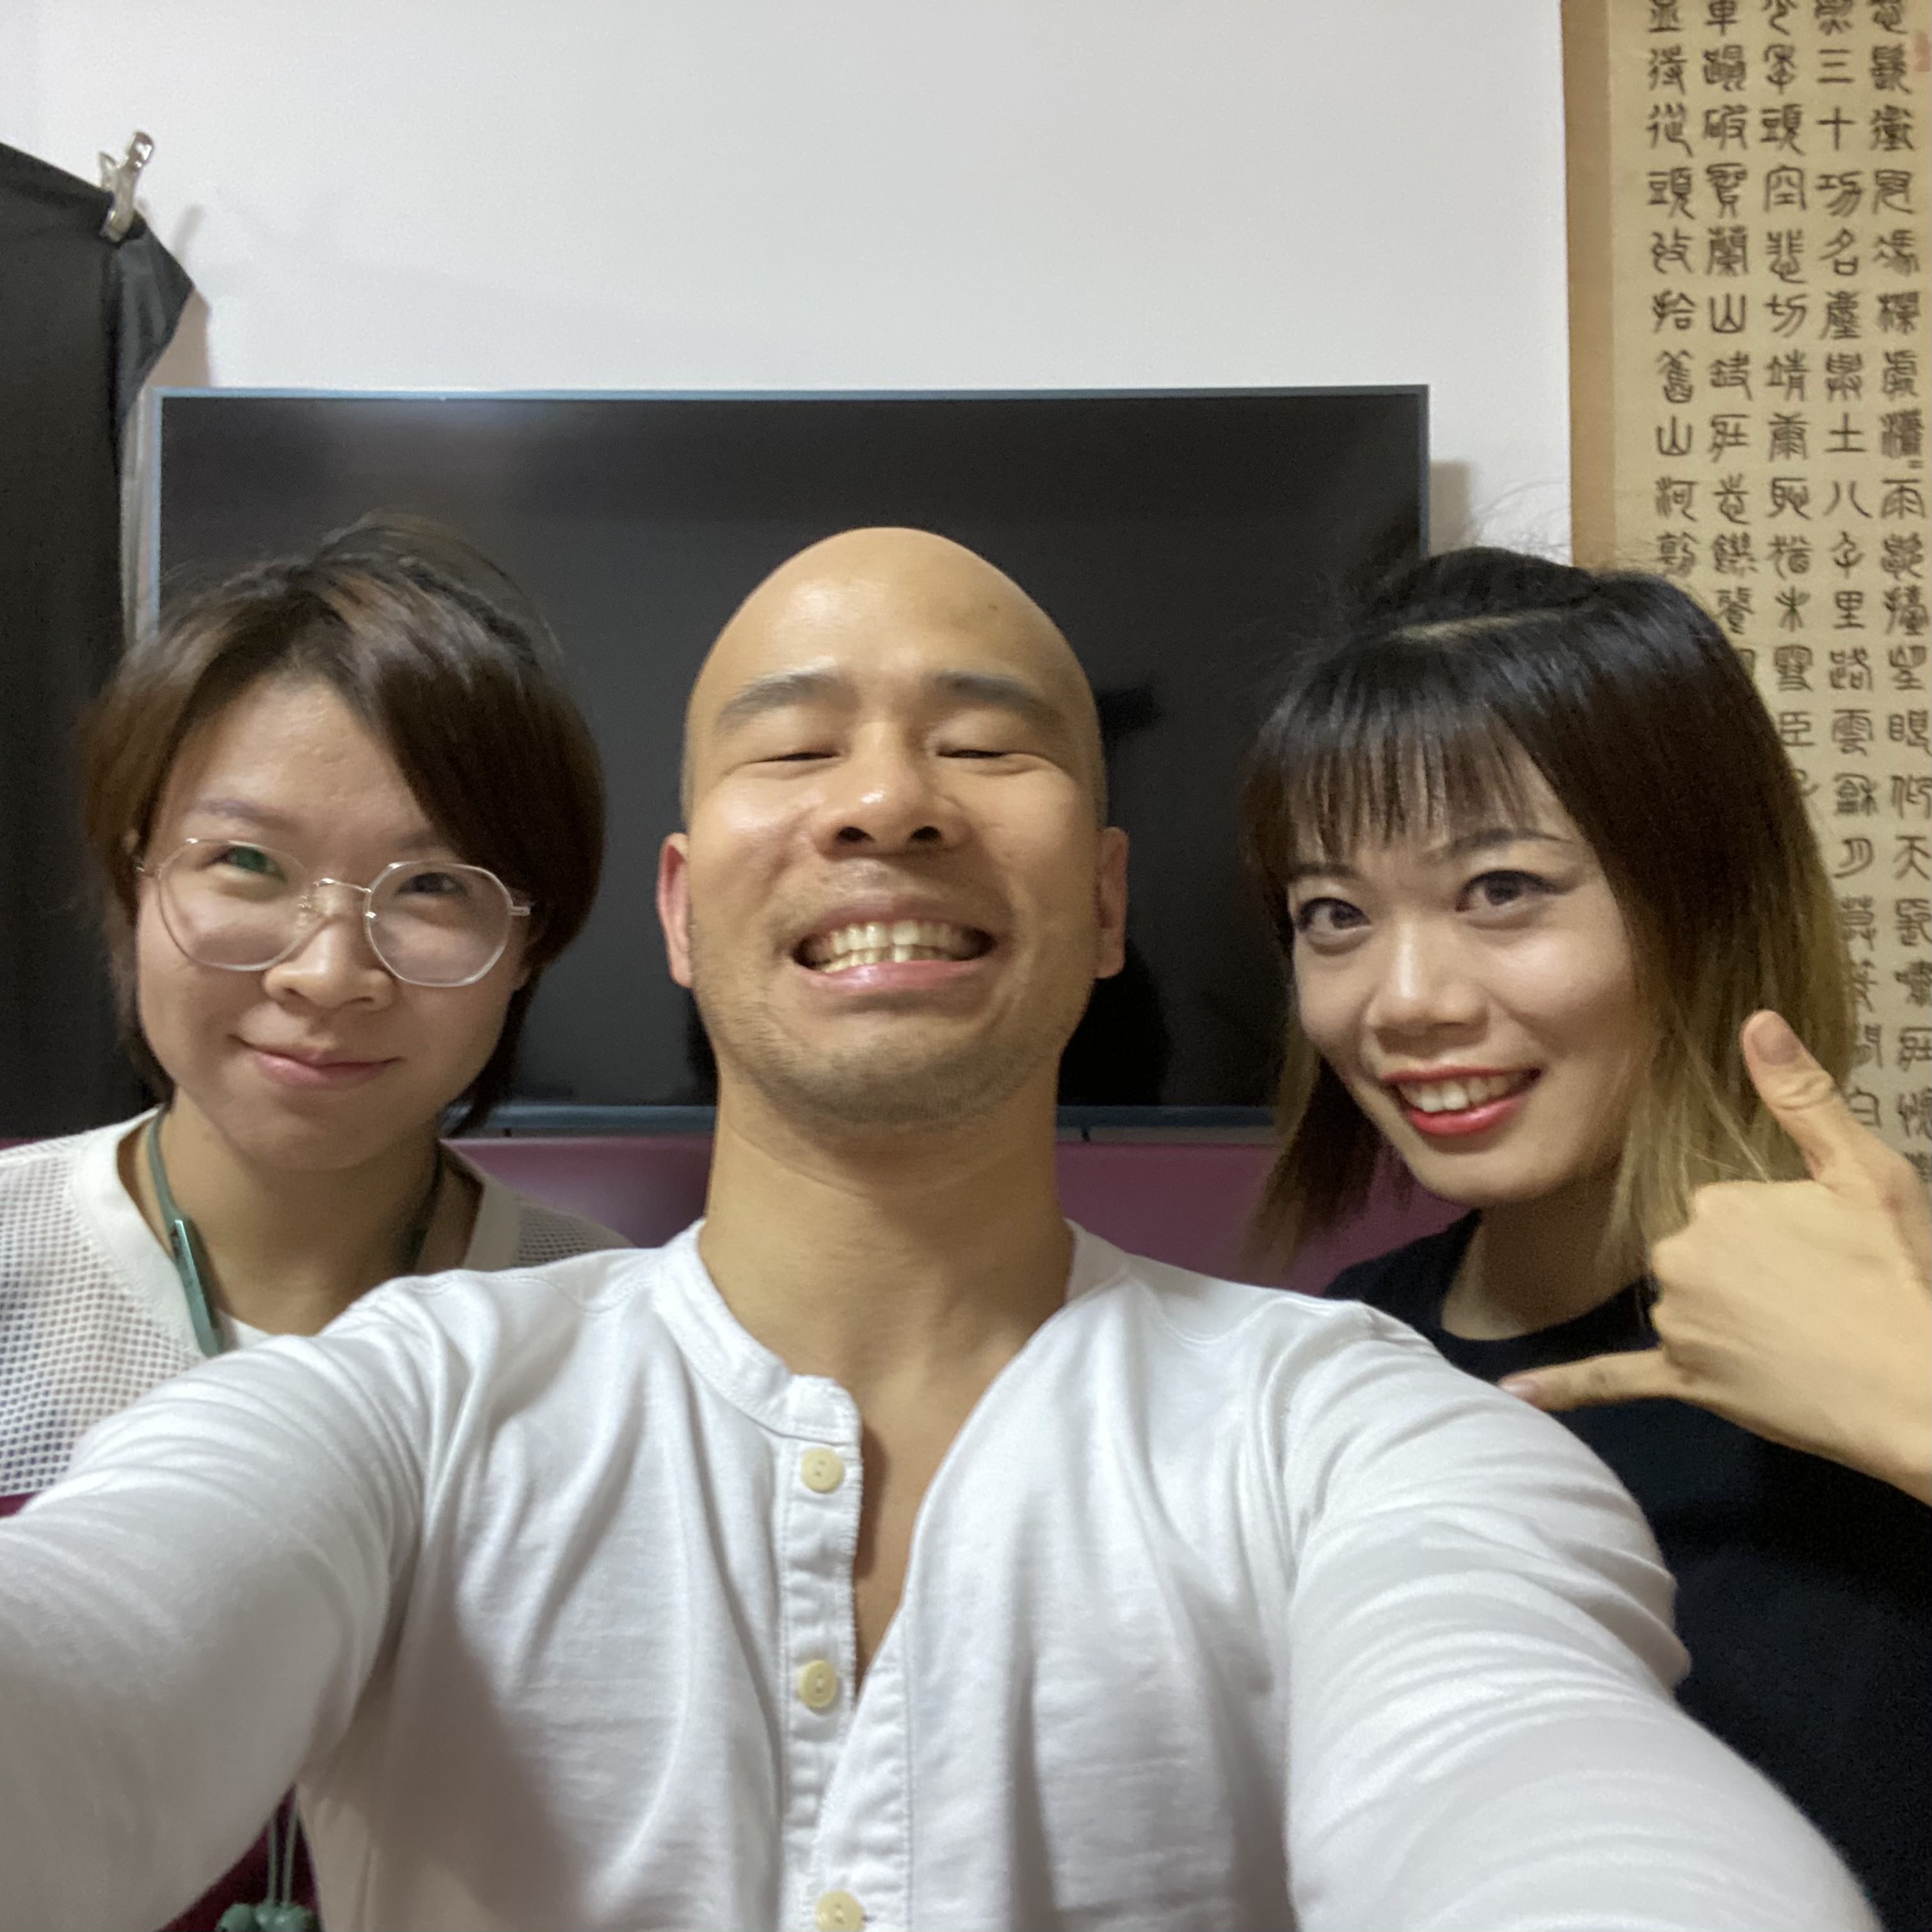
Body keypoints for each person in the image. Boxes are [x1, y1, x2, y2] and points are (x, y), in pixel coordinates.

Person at [0, 530, 1876, 1932]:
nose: (888, 799)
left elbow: (1524, 1759)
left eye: (981, 745)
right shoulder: (409, 1394)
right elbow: (93, 1658)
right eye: (794, 748)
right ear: (677, 909)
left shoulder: (1356, 1421)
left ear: (1108, 903)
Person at [1242, 545, 1930, 1932]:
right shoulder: (1343, 1363)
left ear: (1706, 900)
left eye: (1501, 888)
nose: (1405, 999)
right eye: (1335, 915)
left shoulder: (1908, 1297)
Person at [0, 516, 627, 1929]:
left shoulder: (618, 1336)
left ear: (529, 939)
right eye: (248, 863)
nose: (330, 972)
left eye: (434, 887)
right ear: (136, 873)